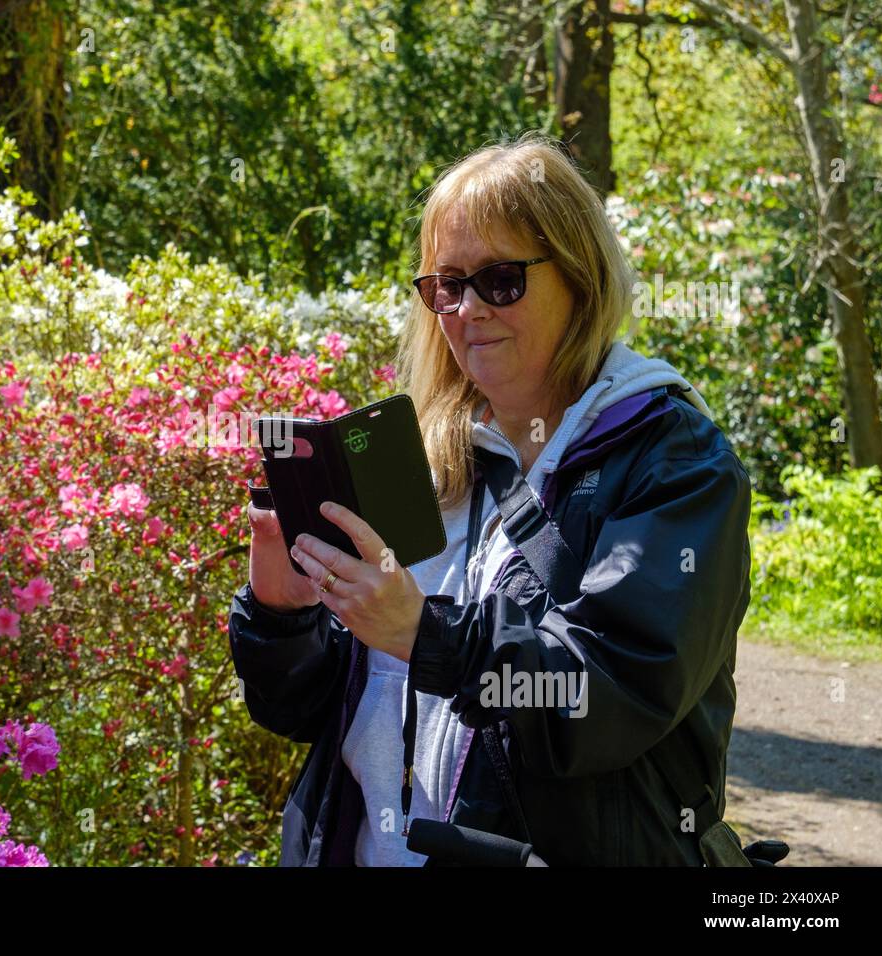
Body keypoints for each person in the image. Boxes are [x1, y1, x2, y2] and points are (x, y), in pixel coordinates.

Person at [227, 131, 753, 866]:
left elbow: (613, 692)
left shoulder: (674, 462)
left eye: (500, 279)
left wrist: (426, 637)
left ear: (579, 276)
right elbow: (304, 711)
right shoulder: (413, 456)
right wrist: (285, 616)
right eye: (446, 284)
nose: (468, 309)